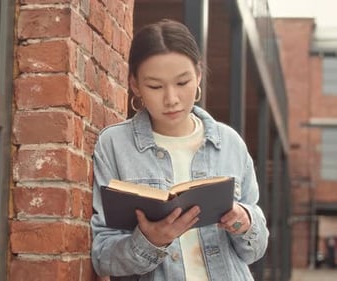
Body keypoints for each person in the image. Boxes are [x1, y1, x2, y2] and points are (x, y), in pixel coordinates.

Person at [90, 19, 269, 280]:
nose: (171, 98)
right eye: (155, 86)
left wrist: (243, 220)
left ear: (198, 76)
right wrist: (150, 241)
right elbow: (103, 257)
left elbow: (256, 250)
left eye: (182, 82)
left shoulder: (229, 142)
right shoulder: (114, 145)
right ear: (135, 84)